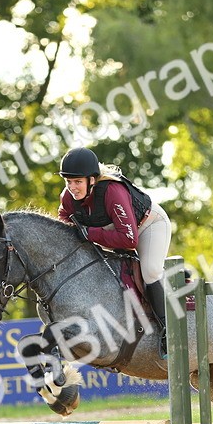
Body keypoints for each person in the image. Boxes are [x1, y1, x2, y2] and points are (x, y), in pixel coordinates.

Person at [57, 147, 173, 356]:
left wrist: (91, 234)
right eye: (68, 182)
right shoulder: (68, 196)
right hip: (115, 231)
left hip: (148, 225)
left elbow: (129, 240)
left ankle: (169, 329)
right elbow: (65, 221)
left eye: (77, 182)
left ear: (92, 180)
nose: (72, 187)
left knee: (151, 270)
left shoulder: (112, 191)